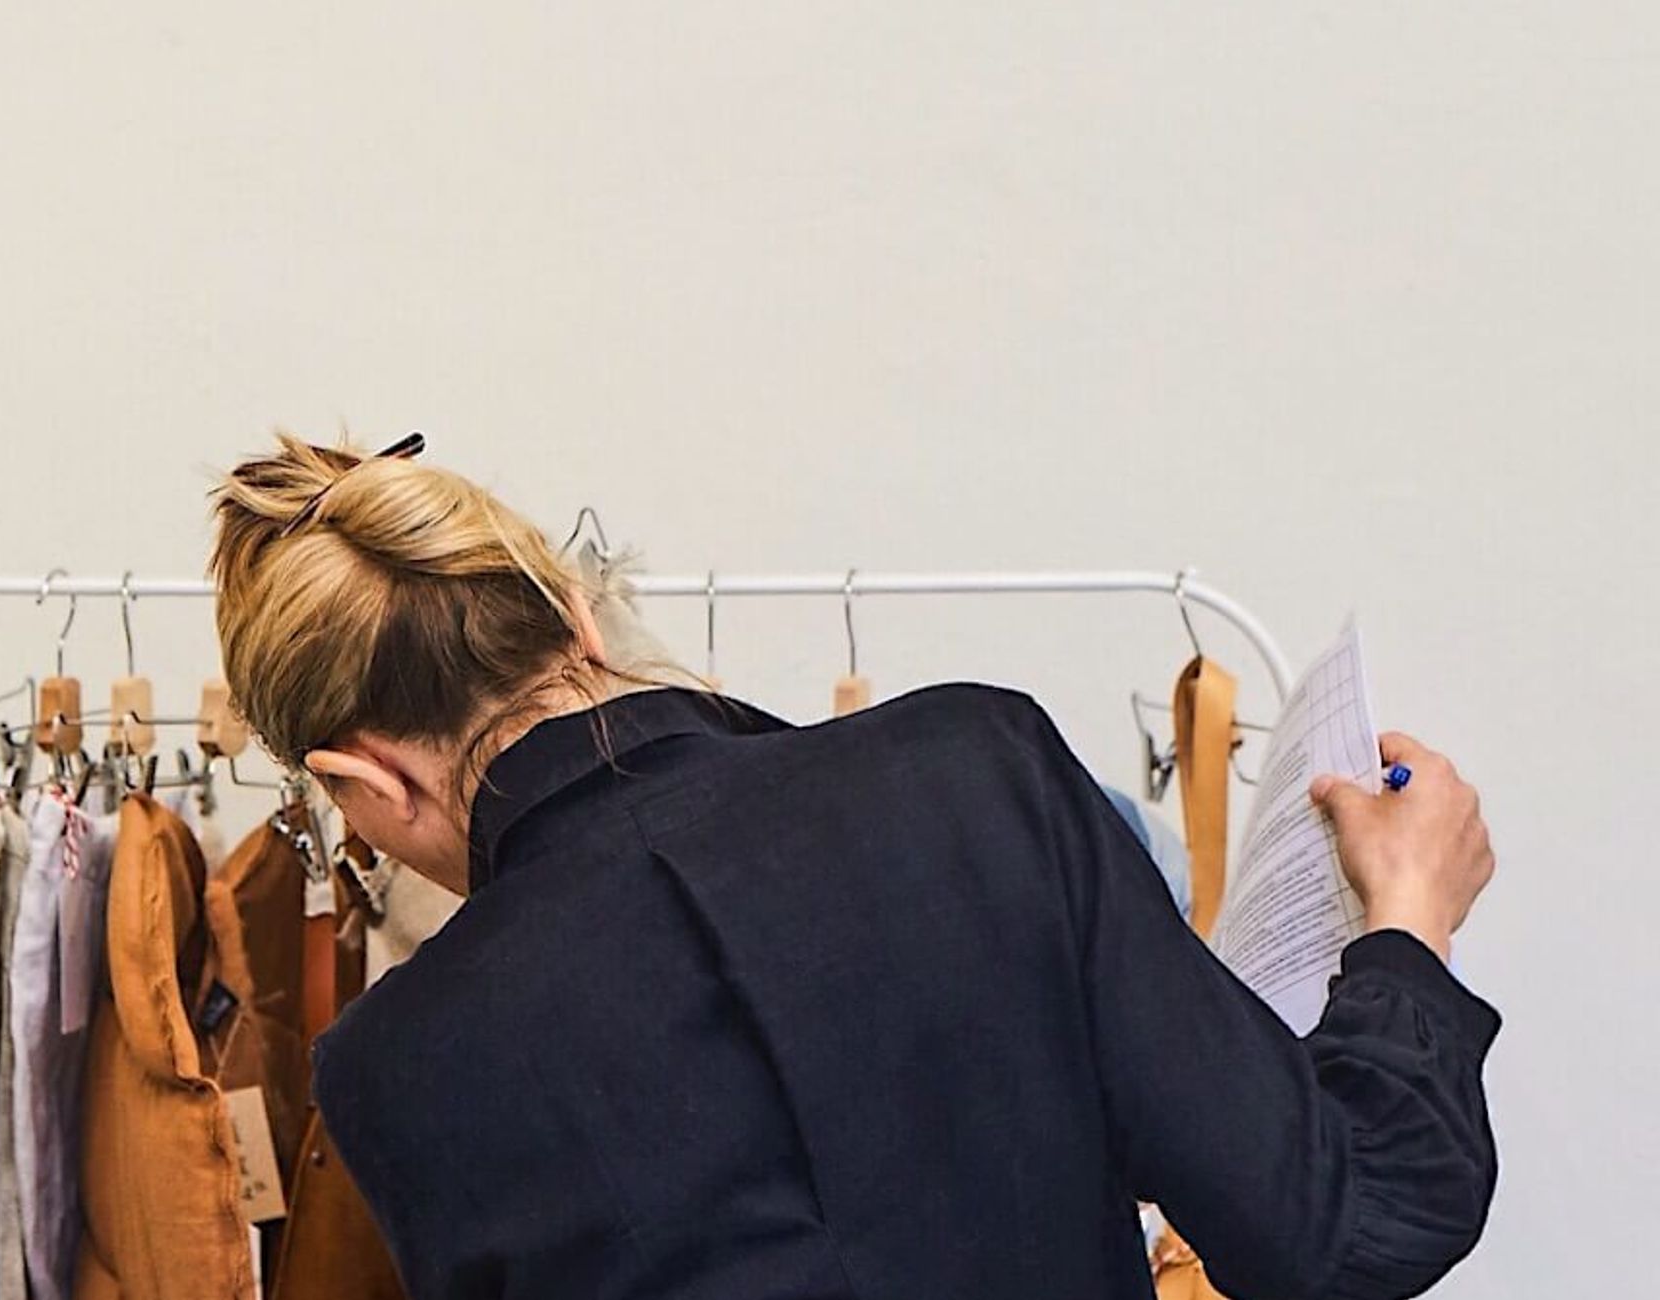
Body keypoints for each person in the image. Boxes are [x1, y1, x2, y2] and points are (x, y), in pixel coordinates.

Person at [206, 434, 1499, 1300]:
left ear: (361, 781)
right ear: (577, 619)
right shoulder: (977, 773)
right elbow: (1350, 1227)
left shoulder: (398, 1069)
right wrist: (1408, 921)